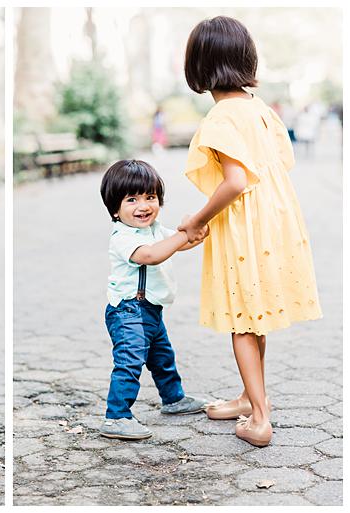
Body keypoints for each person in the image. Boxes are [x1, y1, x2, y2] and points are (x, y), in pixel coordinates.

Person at [179, 16, 321, 447]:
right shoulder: (261, 110)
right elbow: (280, 164)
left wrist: (198, 219)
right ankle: (247, 396)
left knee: (242, 320)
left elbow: (236, 181)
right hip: (275, 220)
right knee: (253, 313)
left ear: (200, 65)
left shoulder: (223, 117)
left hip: (244, 227)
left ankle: (260, 417)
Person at [98, 159, 208, 440]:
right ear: (114, 209)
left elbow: (182, 242)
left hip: (151, 310)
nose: (143, 206)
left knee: (162, 357)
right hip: (127, 311)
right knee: (130, 360)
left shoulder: (156, 229)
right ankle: (116, 416)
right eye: (132, 199)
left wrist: (197, 229)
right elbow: (151, 255)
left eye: (150, 197)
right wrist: (183, 234)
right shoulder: (122, 236)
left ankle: (173, 399)